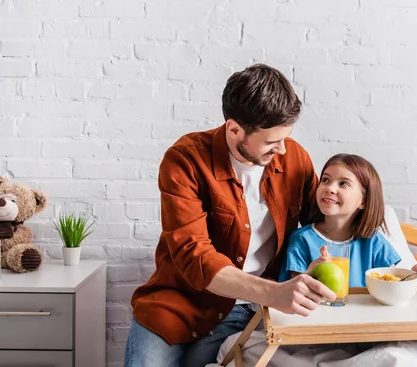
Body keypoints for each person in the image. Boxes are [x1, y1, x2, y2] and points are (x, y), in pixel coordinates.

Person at [125, 64, 336, 367]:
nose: (281, 149)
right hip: (176, 304)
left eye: (285, 138)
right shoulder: (185, 159)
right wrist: (274, 293)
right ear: (234, 129)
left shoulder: (294, 159)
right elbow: (193, 254)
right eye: (270, 141)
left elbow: (325, 224)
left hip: (247, 312)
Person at [280, 153, 417, 286]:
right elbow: (291, 294)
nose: (330, 188)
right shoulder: (301, 240)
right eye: (325, 180)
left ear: (363, 201)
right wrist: (309, 274)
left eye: (343, 183)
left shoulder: (374, 242)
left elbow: (392, 284)